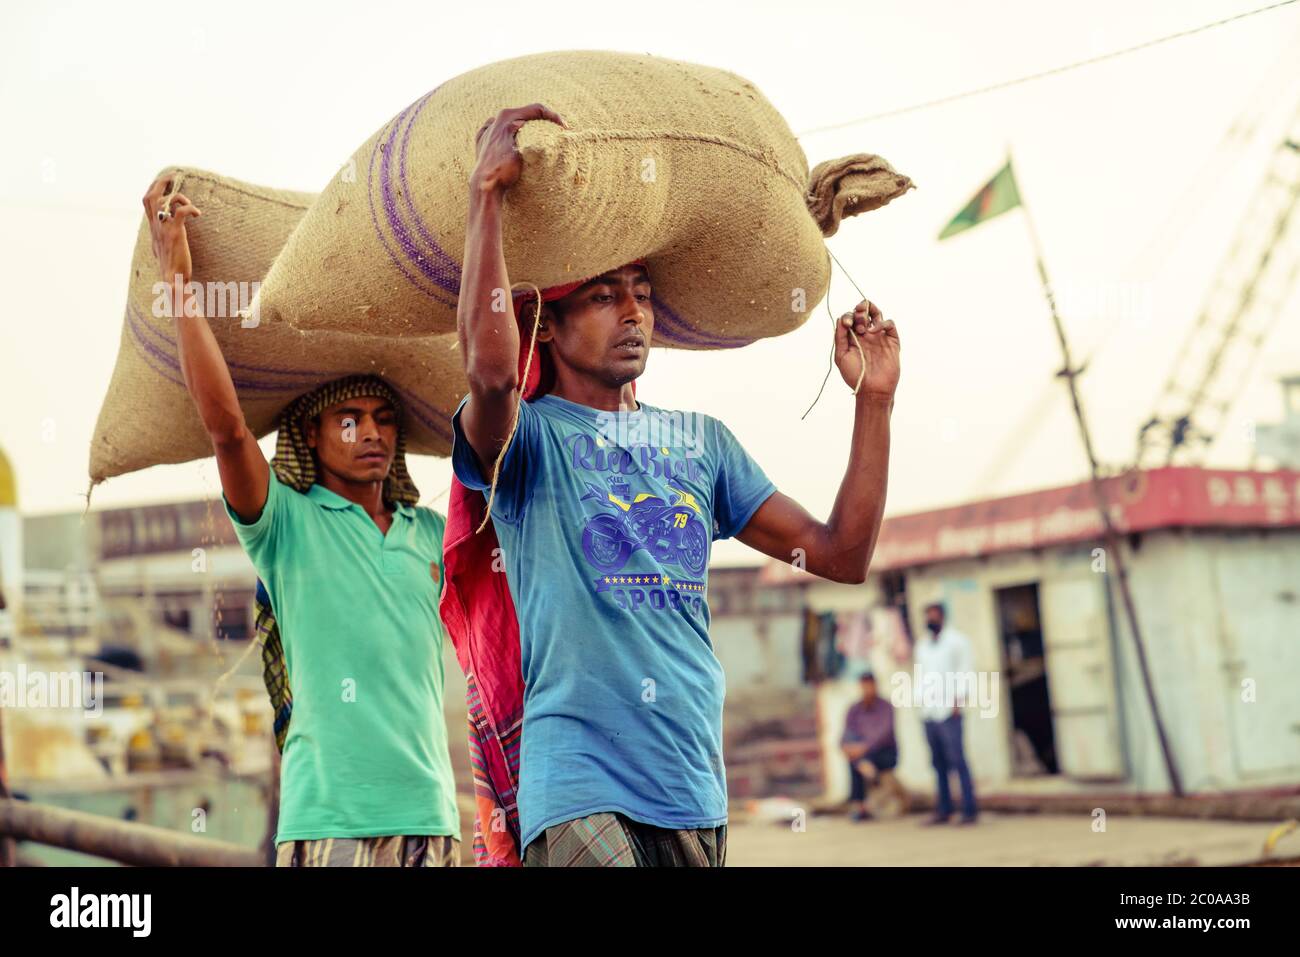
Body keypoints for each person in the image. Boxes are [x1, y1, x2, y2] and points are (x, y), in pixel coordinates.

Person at [446, 104, 901, 867]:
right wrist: (485, 198)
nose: (633, 313)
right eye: (602, 295)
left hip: (693, 785)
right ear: (546, 327)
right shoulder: (530, 442)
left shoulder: (703, 444)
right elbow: (489, 372)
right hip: (578, 786)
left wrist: (875, 401)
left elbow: (840, 554)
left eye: (643, 292)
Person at [141, 177, 461, 866]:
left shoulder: (432, 535)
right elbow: (226, 429)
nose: (371, 433)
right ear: (309, 437)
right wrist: (178, 286)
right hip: (327, 820)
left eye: (383, 420)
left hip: (430, 815)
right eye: (349, 419)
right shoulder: (285, 525)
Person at [915, 601, 978, 825]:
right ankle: (944, 809)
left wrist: (957, 702)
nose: (930, 620)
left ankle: (969, 809)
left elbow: (965, 671)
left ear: (942, 616)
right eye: (927, 616)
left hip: (949, 710)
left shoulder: (957, 642)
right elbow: (920, 675)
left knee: (957, 760)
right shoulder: (923, 645)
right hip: (929, 711)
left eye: (933, 616)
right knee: (938, 762)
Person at [840, 672, 897, 821]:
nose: (867, 690)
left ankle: (859, 805)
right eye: (864, 687)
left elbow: (884, 735)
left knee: (859, 760)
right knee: (856, 760)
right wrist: (847, 748)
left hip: (884, 753)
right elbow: (845, 734)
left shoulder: (885, 707)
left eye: (870, 686)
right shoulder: (855, 709)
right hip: (861, 754)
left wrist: (863, 748)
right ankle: (860, 805)